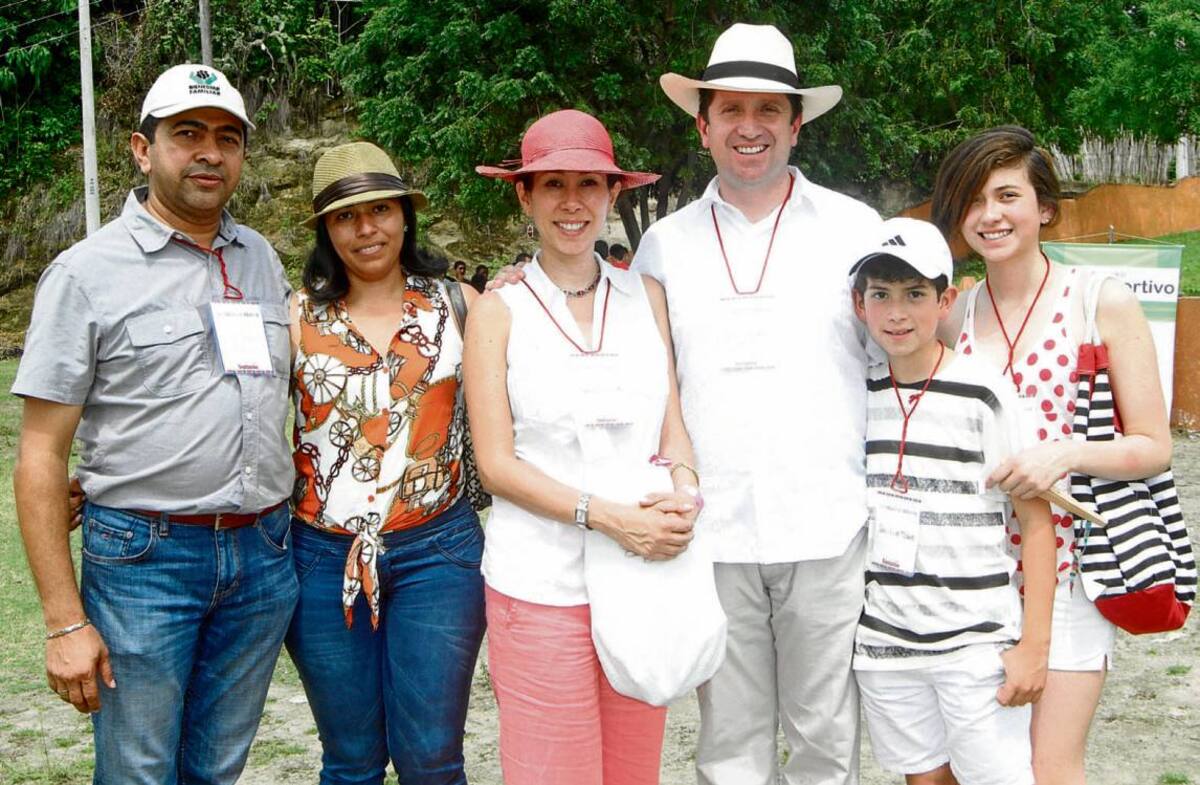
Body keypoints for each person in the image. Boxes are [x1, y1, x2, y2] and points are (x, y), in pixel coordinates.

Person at [11, 64, 297, 784]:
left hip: (262, 554)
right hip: (145, 560)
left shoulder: (261, 258)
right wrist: (64, 620)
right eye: (188, 134)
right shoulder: (84, 273)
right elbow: (41, 452)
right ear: (143, 149)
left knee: (217, 767)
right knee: (139, 770)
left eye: (227, 138)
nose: (210, 152)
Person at [641, 23, 881, 784]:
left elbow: (907, 347)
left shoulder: (857, 229)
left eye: (769, 110)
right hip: (714, 532)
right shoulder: (664, 246)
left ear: (796, 123)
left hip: (827, 524)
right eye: (732, 110)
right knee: (730, 747)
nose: (750, 128)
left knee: (824, 738)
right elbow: (637, 374)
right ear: (702, 124)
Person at [464, 109, 700, 784]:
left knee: (633, 770)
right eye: (552, 184)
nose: (573, 202)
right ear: (524, 195)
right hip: (541, 583)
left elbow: (671, 423)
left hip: (639, 574)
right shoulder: (499, 309)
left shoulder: (643, 294)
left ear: (613, 193)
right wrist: (609, 516)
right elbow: (496, 463)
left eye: (589, 184)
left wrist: (684, 492)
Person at [931, 126, 1172, 785]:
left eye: (1007, 195)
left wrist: (1061, 453)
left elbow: (1153, 445)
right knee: (971, 765)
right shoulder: (953, 315)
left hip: (1071, 577)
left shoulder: (1101, 302)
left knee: (1050, 767)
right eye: (973, 200)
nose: (990, 214)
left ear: (1044, 207)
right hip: (971, 578)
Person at [286, 141, 486, 784]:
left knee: (432, 757)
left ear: (405, 214)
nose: (366, 228)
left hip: (439, 551)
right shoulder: (295, 316)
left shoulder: (460, 305)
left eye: (380, 209)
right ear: (325, 230)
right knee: (350, 761)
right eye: (346, 216)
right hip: (320, 557)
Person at [849, 217, 1055, 785]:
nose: (896, 312)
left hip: (974, 644)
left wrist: (1034, 645)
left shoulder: (983, 391)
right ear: (858, 302)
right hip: (885, 644)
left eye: (915, 294)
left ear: (946, 299)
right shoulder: (855, 392)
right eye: (881, 294)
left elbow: (1037, 523)